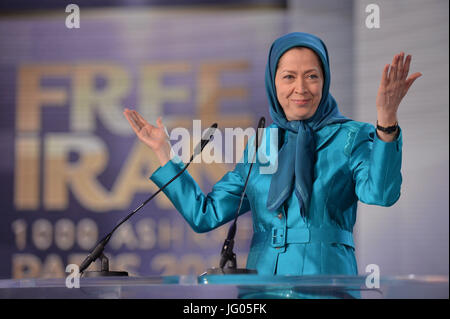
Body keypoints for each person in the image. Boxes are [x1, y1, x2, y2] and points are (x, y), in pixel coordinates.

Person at [123, 32, 421, 278]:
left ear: (325, 80)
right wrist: (163, 151)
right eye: (289, 77)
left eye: (312, 76)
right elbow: (206, 215)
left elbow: (381, 193)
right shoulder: (261, 146)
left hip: (327, 284)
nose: (300, 88)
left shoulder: (351, 136)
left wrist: (386, 120)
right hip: (262, 285)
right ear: (273, 83)